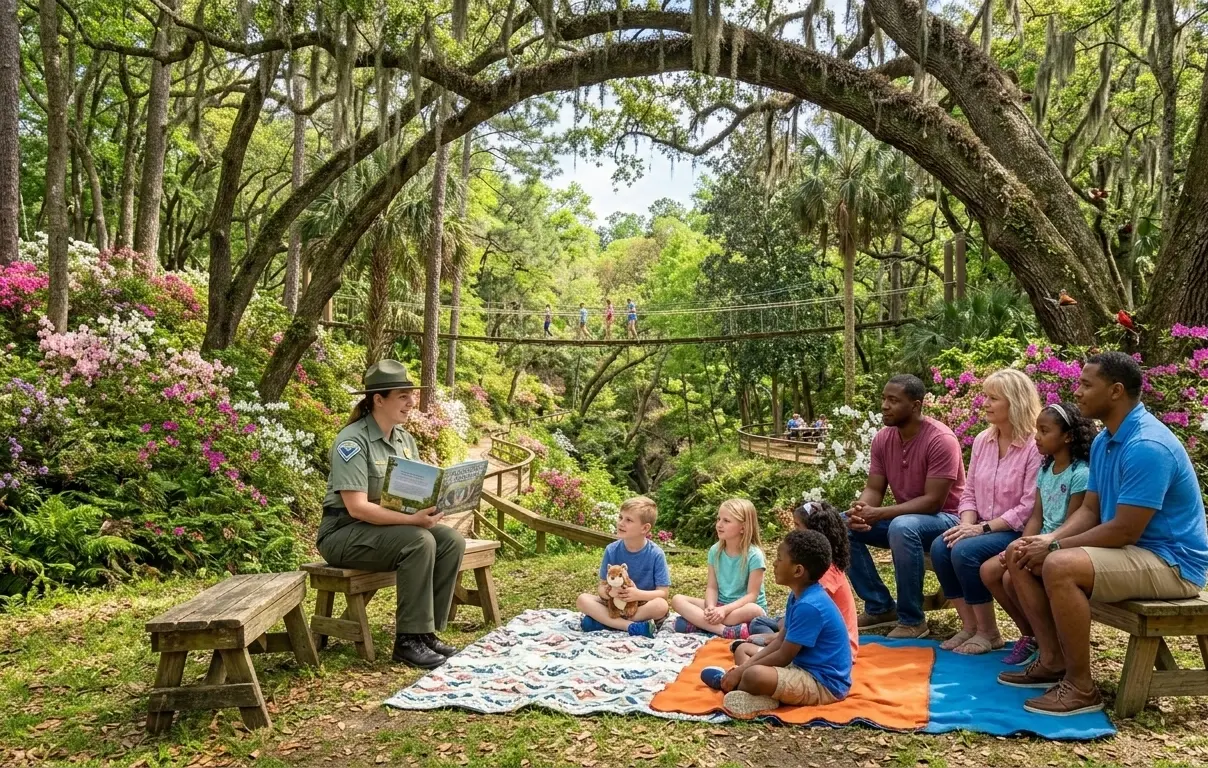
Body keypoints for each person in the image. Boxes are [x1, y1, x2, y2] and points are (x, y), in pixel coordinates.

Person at [1002, 352, 1208, 716]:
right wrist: (1045, 541)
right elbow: (1090, 511)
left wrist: (1058, 545)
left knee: (1060, 566)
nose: (1076, 392)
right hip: (1131, 551)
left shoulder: (1147, 446)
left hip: (1172, 563)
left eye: (1086, 384)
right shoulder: (1103, 441)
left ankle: (1081, 687)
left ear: (1115, 391)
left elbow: (1125, 529)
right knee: (1021, 553)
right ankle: (1052, 661)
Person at [317, 360, 467, 669]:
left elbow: (411, 495)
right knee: (419, 541)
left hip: (386, 530)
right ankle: (407, 641)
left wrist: (436, 503)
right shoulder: (352, 441)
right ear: (378, 399)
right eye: (403, 395)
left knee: (450, 540)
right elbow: (357, 507)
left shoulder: (405, 440)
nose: (412, 402)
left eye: (411, 395)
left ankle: (427, 633)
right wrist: (414, 521)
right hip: (343, 533)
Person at [929, 369, 1043, 655]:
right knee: (942, 546)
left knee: (965, 552)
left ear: (1015, 402)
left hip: (1017, 530)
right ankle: (970, 626)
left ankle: (989, 632)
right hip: (981, 526)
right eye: (985, 397)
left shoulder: (1034, 446)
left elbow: (1029, 506)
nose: (986, 403)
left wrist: (981, 530)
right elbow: (969, 492)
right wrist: (965, 525)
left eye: (994, 398)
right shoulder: (983, 440)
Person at [846, 374, 967, 639]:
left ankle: (913, 620)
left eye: (893, 400)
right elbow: (875, 489)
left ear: (915, 406)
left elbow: (933, 501)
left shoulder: (940, 439)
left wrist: (879, 514)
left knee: (902, 527)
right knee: (842, 525)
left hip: (949, 521)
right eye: (883, 399)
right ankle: (879, 607)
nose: (884, 406)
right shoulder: (883, 439)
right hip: (909, 520)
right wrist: (861, 511)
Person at [981, 401, 1095, 666]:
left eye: (1044, 431)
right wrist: (1021, 545)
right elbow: (1036, 518)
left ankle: (1050, 643)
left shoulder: (1080, 474)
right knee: (990, 571)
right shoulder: (1045, 470)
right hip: (1038, 539)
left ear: (1067, 436)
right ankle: (1031, 634)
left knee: (1011, 579)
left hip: (1062, 545)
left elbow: (1075, 522)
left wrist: (1034, 548)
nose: (1037, 437)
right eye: (1037, 430)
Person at [700, 530, 853, 719]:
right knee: (744, 650)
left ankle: (740, 686)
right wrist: (741, 668)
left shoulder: (810, 606)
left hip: (823, 683)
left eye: (780, 559)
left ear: (798, 571)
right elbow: (780, 640)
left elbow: (782, 656)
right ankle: (744, 686)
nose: (774, 563)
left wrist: (742, 670)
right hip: (799, 666)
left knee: (753, 674)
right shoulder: (797, 596)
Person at [742, 501, 859, 659]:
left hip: (829, 650)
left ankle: (769, 645)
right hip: (806, 630)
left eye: (797, 526)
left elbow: (810, 618)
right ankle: (771, 643)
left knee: (755, 664)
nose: (775, 564)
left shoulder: (822, 577)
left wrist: (776, 643)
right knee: (759, 623)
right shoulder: (801, 591)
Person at [576, 496, 671, 637]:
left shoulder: (656, 554)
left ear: (644, 528)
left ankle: (606, 623)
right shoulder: (611, 550)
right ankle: (632, 627)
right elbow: (602, 586)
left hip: (641, 606)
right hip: (613, 603)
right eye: (620, 517)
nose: (621, 523)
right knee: (582, 599)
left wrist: (637, 594)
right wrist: (608, 593)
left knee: (661, 606)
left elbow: (663, 593)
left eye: (628, 520)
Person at [671, 499, 768, 638]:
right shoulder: (715, 551)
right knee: (677, 599)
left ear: (743, 527)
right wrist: (711, 607)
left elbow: (752, 596)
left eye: (726, 521)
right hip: (719, 605)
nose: (719, 525)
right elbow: (712, 587)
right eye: (718, 519)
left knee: (754, 610)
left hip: (742, 608)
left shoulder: (754, 555)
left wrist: (724, 610)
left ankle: (699, 623)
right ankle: (724, 630)